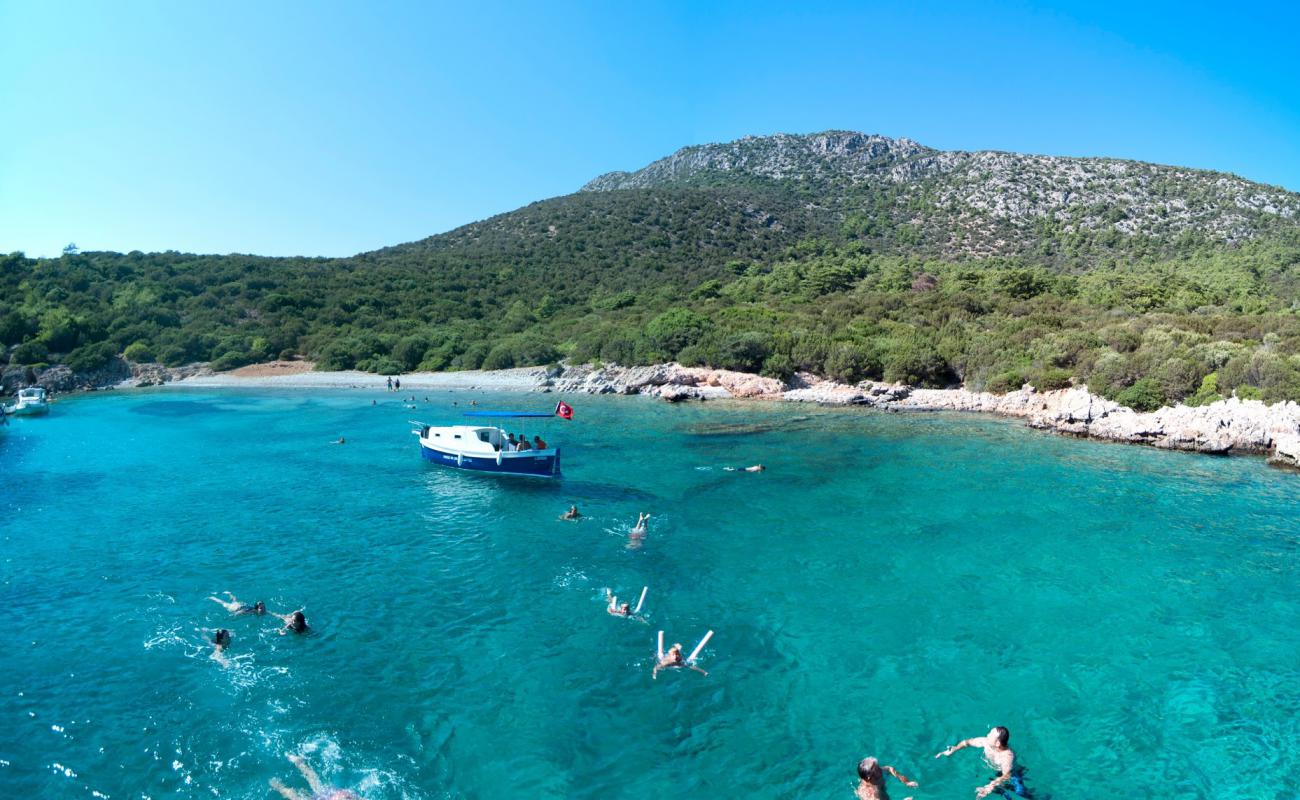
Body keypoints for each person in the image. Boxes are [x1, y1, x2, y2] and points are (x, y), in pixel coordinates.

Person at [935, 726, 1021, 798]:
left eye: (990, 735)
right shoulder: (986, 742)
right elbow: (967, 742)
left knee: (1020, 792)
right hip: (996, 772)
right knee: (1001, 791)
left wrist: (989, 787)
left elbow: (1006, 775)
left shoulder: (1007, 756)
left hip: (1012, 775)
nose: (987, 735)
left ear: (997, 743)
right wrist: (954, 749)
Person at [269, 753, 361, 800]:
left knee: (314, 781)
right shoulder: (345, 796)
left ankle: (299, 763)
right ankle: (279, 786)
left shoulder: (346, 795)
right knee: (297, 797)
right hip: (330, 796)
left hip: (330, 793)